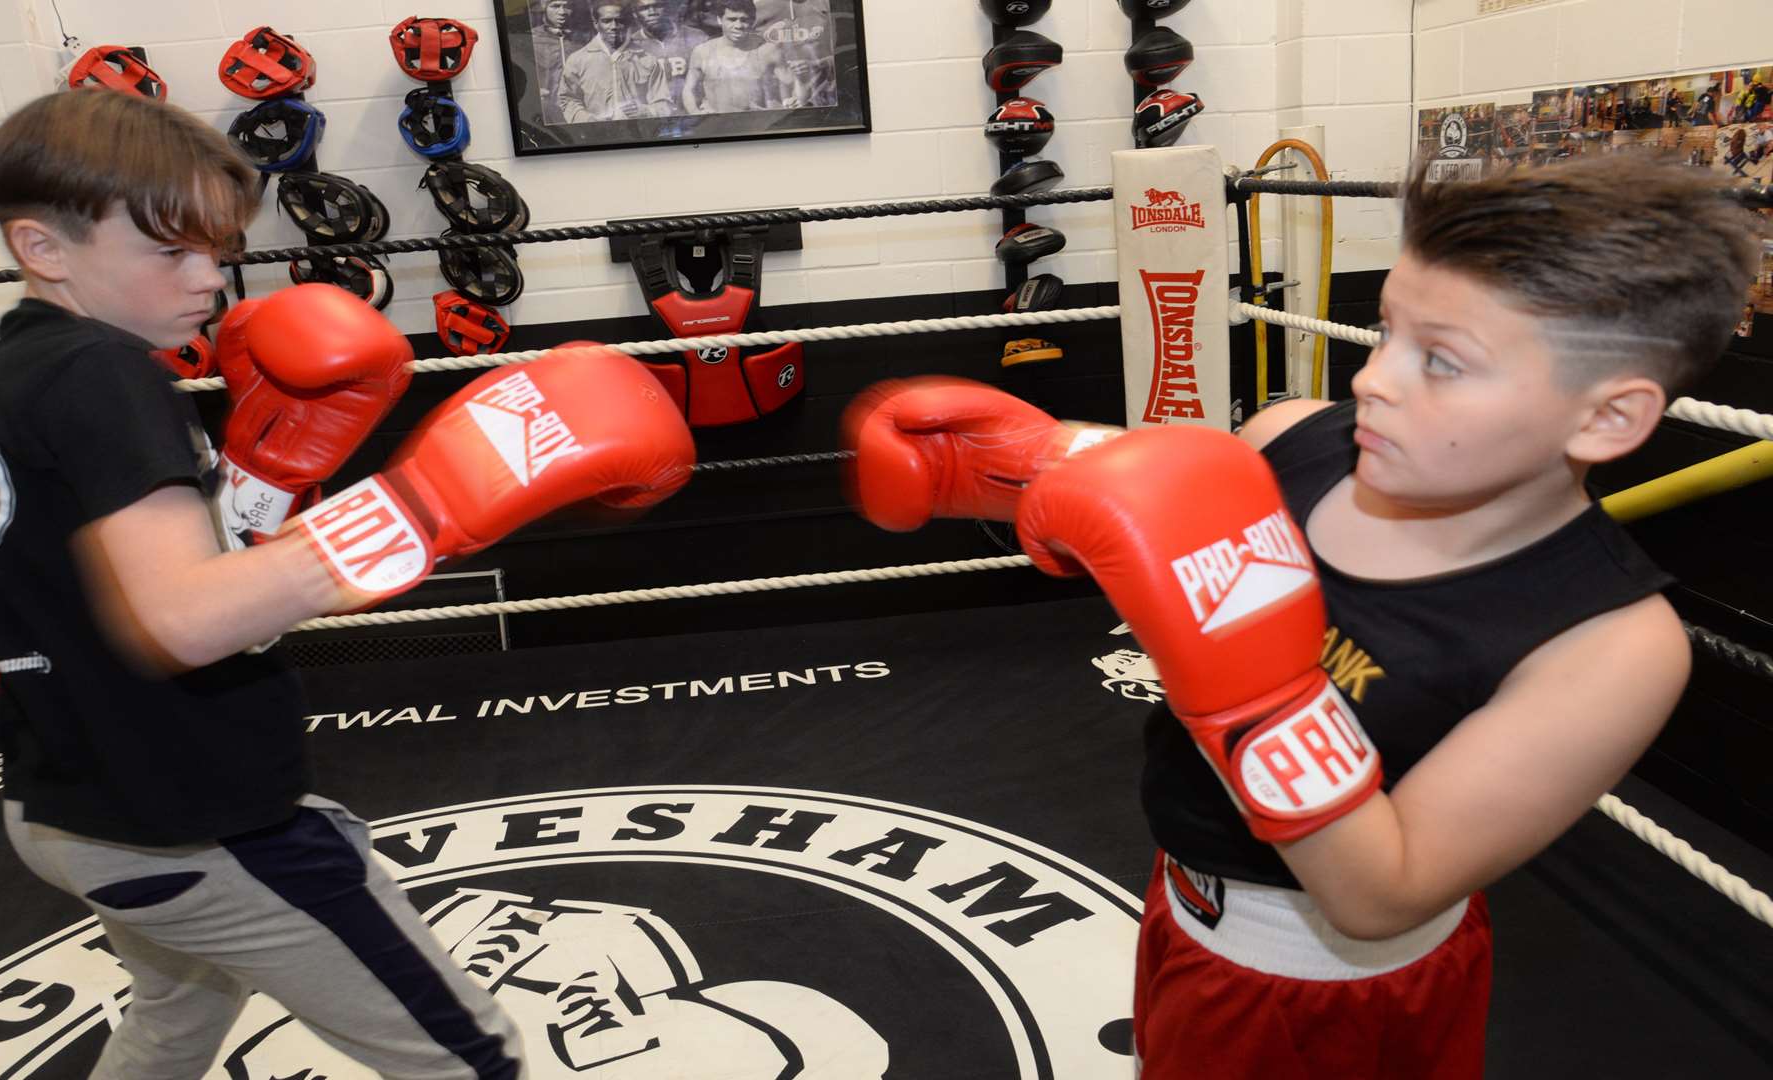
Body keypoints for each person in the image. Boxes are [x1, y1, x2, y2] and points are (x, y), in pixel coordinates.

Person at [840, 152, 1763, 1078]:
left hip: (1332, 987)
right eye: (1386, 331)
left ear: (1605, 420)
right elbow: (1159, 507)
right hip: (1182, 906)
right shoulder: (1292, 440)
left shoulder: (1607, 646)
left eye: (1440, 360)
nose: (1375, 379)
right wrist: (1015, 464)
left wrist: (1250, 685)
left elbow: (1378, 894)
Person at [0, 87, 693, 1079]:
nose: (210, 278)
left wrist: (262, 485)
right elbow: (181, 621)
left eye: (218, 248)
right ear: (44, 248)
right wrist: (422, 506)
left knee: (174, 1022)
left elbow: (122, 579)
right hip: (199, 824)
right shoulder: (101, 373)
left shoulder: (9, 376)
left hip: (71, 803)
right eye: (171, 251)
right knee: (464, 1056)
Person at [558, 1, 673, 122]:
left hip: (638, 133)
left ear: (628, 23)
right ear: (596, 24)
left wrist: (645, 111)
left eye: (619, 21)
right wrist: (587, 119)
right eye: (607, 21)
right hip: (595, 135)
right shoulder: (577, 60)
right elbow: (568, 100)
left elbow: (663, 103)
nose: (613, 26)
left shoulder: (647, 60)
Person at [683, 0, 793, 114]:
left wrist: (792, 100)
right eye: (732, 19)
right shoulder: (702, 52)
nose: (738, 26)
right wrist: (695, 113)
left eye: (744, 20)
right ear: (719, 20)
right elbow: (689, 90)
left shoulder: (768, 50)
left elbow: (791, 87)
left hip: (758, 124)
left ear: (752, 21)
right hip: (717, 125)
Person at [631, 0, 709, 115]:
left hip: (694, 114)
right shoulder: (631, 46)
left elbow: (712, 80)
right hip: (655, 119)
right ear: (635, 14)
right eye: (644, 8)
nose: (652, 12)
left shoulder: (697, 37)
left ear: (667, 8)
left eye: (657, 6)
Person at [532, 0, 586, 125]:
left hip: (579, 110)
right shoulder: (532, 38)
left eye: (567, 6)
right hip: (548, 111)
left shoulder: (583, 39)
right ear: (544, 8)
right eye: (555, 6)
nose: (562, 12)